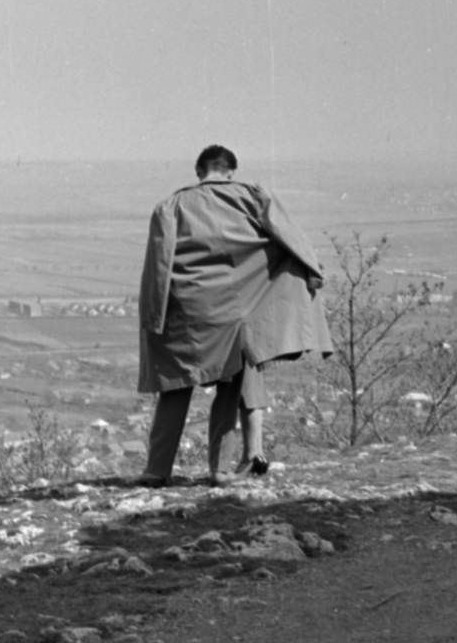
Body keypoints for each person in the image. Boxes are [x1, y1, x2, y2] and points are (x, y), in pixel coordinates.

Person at [137, 145, 331, 486]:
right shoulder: (252, 197)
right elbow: (290, 238)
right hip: (238, 309)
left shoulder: (170, 207)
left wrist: (153, 317)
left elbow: (158, 264)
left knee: (176, 386)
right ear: (230, 172)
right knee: (230, 383)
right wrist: (311, 271)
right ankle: (220, 470)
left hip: (189, 311)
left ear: (199, 172)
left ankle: (156, 471)